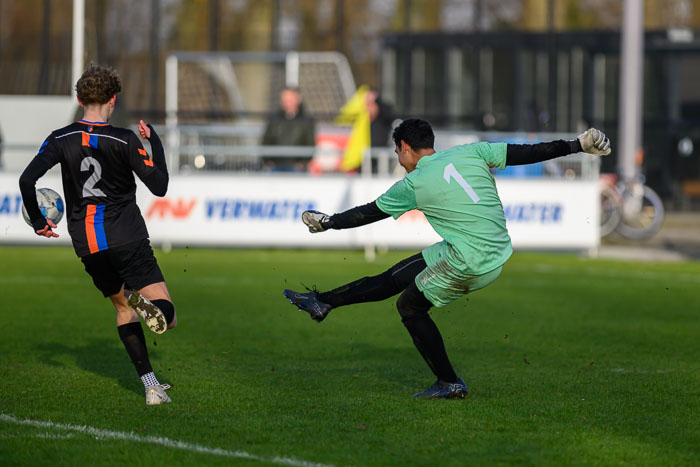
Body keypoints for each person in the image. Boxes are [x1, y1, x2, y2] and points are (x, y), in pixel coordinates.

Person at [284, 119, 611, 399]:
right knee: (396, 277)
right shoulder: (471, 151)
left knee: (409, 306)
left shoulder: (414, 182)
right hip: (488, 247)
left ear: (405, 147)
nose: (399, 159)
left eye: (398, 152)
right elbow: (528, 152)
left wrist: (327, 222)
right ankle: (322, 302)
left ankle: (450, 382)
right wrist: (578, 144)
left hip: (471, 257)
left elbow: (366, 213)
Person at [18, 65, 177, 406]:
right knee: (169, 315)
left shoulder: (60, 138)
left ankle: (151, 387)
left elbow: (26, 181)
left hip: (88, 244)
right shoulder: (124, 139)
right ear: (113, 100)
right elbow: (160, 186)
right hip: (127, 236)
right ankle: (153, 307)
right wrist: (156, 143)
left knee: (122, 308)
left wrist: (37, 221)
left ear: (79, 99)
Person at [261, 87, 316, 171]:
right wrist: (267, 160)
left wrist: (303, 163)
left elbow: (310, 143)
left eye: (290, 99)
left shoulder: (306, 120)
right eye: (284, 100)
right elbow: (266, 140)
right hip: (275, 166)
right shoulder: (274, 119)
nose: (287, 103)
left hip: (296, 168)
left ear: (298, 100)